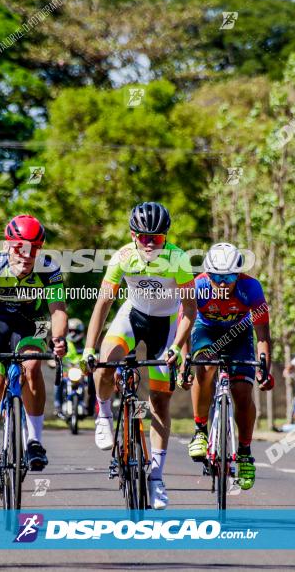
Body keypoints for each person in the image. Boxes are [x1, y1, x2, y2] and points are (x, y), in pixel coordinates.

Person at [81, 202, 196, 510]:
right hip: (132, 317)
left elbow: (189, 310)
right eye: (142, 236)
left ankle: (156, 477)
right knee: (105, 363)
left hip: (166, 324)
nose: (148, 243)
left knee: (160, 400)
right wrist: (89, 348)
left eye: (156, 238)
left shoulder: (178, 259)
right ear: (133, 235)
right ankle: (103, 413)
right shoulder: (122, 257)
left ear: (165, 237)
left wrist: (177, 347)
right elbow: (103, 304)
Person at [0, 215, 68, 493]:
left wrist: (58, 339)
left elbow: (58, 311)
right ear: (9, 246)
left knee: (32, 366)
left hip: (27, 327)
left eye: (34, 249)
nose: (27, 255)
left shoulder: (49, 269)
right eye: (21, 247)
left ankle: (34, 441)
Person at [181, 242, 273, 492]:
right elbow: (185, 326)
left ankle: (244, 453)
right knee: (206, 365)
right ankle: (200, 430)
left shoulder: (251, 287)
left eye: (230, 276)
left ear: (240, 274)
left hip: (240, 334)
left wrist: (265, 367)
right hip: (206, 330)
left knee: (243, 392)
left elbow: (262, 331)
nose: (223, 283)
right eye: (217, 277)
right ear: (207, 274)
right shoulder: (197, 286)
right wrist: (185, 363)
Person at [55, 318, 91, 418]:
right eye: (70, 331)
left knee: (91, 385)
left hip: (82, 373)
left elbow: (92, 355)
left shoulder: (87, 344)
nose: (73, 333)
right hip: (67, 372)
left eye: (76, 331)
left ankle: (89, 407)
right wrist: (54, 361)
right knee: (58, 383)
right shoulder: (64, 344)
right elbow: (56, 355)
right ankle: (58, 405)